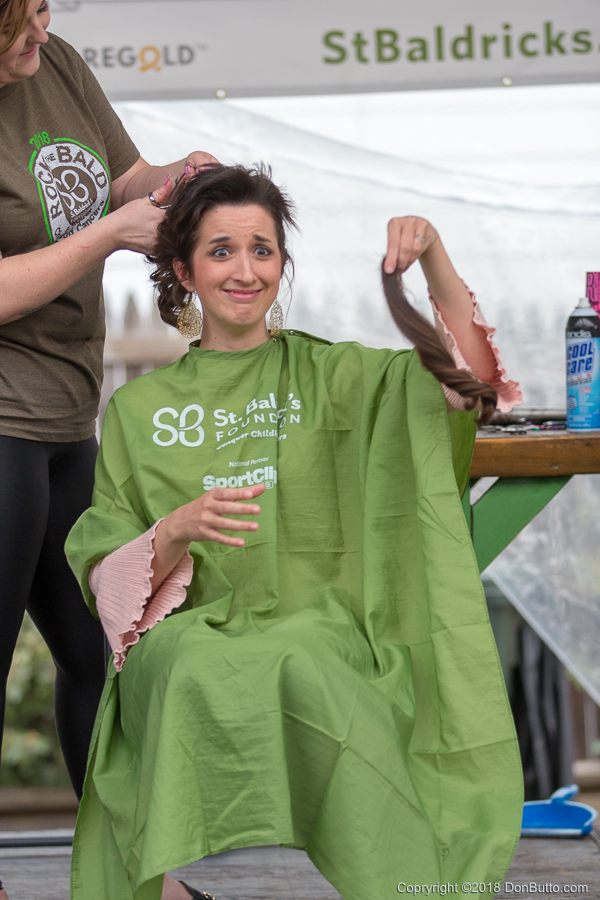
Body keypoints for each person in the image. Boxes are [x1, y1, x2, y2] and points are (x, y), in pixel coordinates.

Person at [65, 164, 524, 900]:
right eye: (221, 251)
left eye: (262, 249)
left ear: (282, 263)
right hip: (190, 630)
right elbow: (105, 569)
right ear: (184, 269)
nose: (244, 271)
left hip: (322, 619)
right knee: (187, 666)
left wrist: (433, 252)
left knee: (311, 659)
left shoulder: (340, 375)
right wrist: (176, 529)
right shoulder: (138, 409)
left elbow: (469, 380)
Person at [0, 3, 218, 897]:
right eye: (19, 17)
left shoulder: (57, 65)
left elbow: (125, 182)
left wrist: (176, 178)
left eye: (48, 10)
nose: (40, 32)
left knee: (105, 651)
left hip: (65, 416)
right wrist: (103, 238)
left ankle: (132, 870)